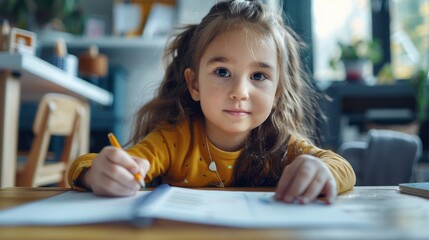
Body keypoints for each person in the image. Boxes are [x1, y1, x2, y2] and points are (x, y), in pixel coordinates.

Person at [68, 0, 355, 204]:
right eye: (222, 72)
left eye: (258, 76)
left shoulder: (282, 146)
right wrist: (97, 174)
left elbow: (342, 167)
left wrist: (322, 170)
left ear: (277, 92)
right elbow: (87, 165)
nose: (240, 91)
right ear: (194, 84)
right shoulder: (172, 141)